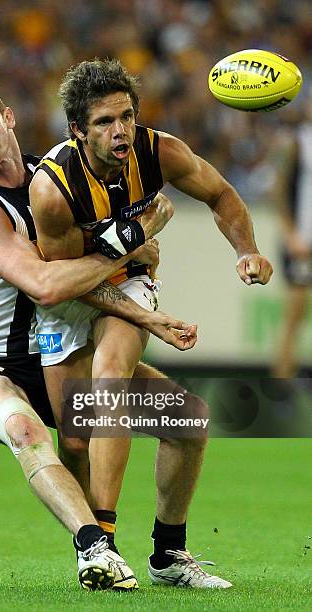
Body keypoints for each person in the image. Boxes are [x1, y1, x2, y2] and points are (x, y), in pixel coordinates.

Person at [0, 86, 198, 592]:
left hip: (56, 349)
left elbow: (109, 268)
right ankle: (93, 548)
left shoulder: (55, 180)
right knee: (25, 431)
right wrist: (133, 237)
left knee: (188, 424)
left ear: (8, 116)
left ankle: (168, 556)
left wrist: (142, 297)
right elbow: (47, 285)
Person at [30, 58, 273, 589]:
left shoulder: (159, 151)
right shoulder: (52, 189)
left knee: (114, 370)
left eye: (127, 117)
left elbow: (221, 193)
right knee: (80, 437)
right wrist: (135, 233)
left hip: (131, 278)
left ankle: (125, 549)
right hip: (68, 296)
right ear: (77, 130)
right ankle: (101, 540)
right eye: (103, 122)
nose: (121, 131)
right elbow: (66, 277)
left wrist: (246, 249)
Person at [272, 99, 312, 377]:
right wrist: (290, 234)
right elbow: (279, 190)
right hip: (302, 241)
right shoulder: (298, 142)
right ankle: (282, 381)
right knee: (295, 312)